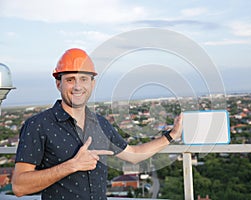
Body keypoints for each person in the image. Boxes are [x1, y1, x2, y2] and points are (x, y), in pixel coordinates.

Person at [12, 48, 183, 200]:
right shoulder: (38, 125)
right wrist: (72, 165)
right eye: (70, 79)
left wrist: (171, 135)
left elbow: (133, 154)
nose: (78, 86)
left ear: (92, 83)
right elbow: (19, 186)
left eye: (84, 79)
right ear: (58, 83)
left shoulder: (100, 124)